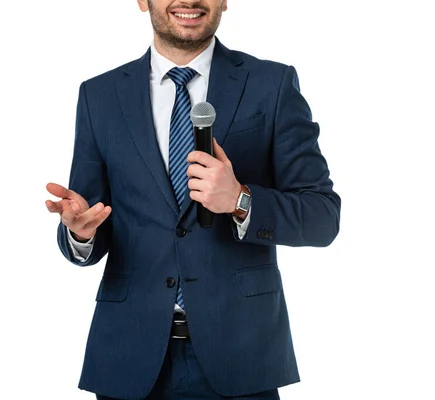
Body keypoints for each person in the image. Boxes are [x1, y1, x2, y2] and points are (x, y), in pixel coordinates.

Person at [44, 1, 341, 399]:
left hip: (241, 357)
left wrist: (240, 199)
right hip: (127, 358)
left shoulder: (271, 84)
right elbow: (88, 216)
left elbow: (323, 216)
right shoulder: (99, 95)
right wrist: (80, 234)